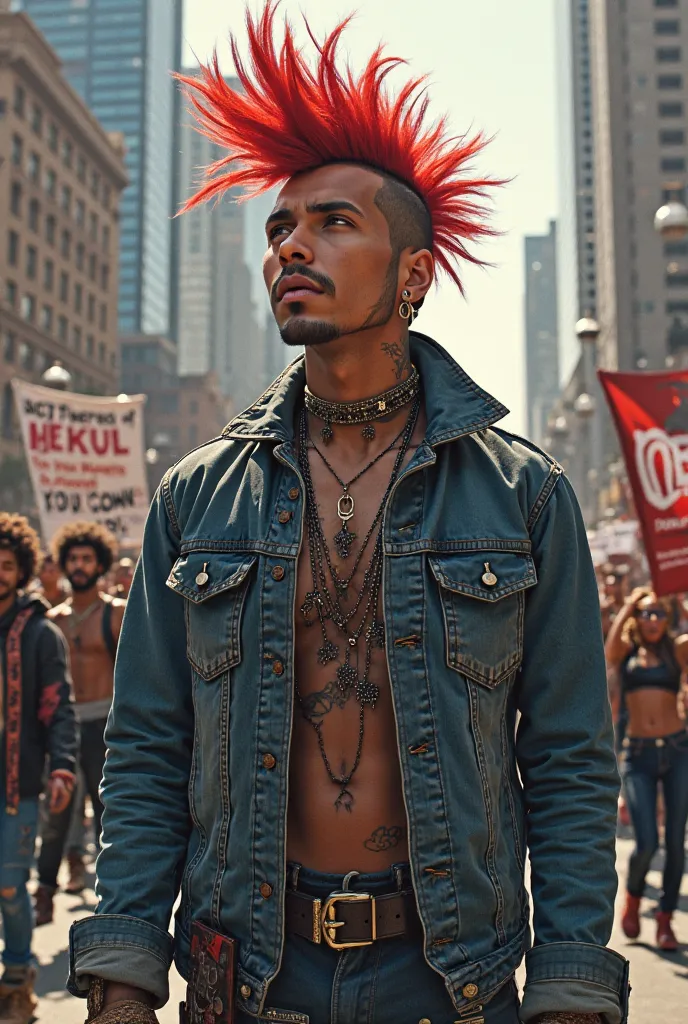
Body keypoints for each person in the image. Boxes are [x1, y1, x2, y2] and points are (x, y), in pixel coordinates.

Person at [67, 6, 628, 1024]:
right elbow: (149, 744)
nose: (292, 245)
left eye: (333, 221)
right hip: (246, 973)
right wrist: (121, 968)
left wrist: (572, 982)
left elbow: (569, 758)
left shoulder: (523, 492)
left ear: (414, 272)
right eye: (280, 226)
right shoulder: (198, 496)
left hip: (450, 976)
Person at [0, 513, 77, 1024]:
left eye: (6, 565)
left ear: (21, 569)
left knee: (9, 887)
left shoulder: (41, 634)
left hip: (19, 787)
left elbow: (59, 706)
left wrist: (62, 768)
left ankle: (16, 983)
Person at [34, 522, 124, 927]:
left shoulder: (116, 614)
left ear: (100, 562)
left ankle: (115, 895)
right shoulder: (50, 620)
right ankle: (45, 892)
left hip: (106, 725)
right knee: (57, 814)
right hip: (65, 726)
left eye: (88, 558)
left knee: (110, 813)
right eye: (73, 558)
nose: (80, 565)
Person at [605, 587, 688, 951]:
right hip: (637, 755)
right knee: (646, 842)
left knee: (674, 842)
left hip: (677, 751)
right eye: (646, 613)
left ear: (667, 618)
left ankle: (666, 919)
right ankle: (635, 899)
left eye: (658, 613)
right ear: (637, 619)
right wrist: (630, 603)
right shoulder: (626, 654)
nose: (652, 620)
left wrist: (677, 599)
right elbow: (609, 649)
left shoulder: (676, 649)